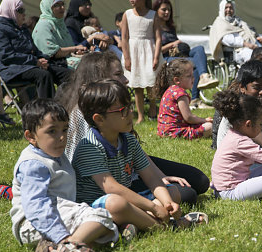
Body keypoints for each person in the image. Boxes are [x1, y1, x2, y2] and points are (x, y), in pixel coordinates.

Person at [59, 51, 209, 204]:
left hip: (125, 167)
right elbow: (104, 180)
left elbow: (134, 152)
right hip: (108, 182)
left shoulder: (119, 123)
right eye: (118, 74)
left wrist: (160, 177)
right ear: (100, 81)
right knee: (185, 193)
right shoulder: (85, 116)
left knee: (199, 180)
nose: (125, 80)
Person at [72, 79, 208, 231]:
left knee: (173, 192)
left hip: (128, 199)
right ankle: (169, 225)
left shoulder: (128, 139)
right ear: (99, 119)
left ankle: (136, 223)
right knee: (117, 204)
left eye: (129, 107)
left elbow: (151, 177)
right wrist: (155, 208)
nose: (130, 113)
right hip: (97, 207)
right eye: (122, 110)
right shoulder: (89, 147)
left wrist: (168, 203)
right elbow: (113, 189)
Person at [10, 98, 117, 252]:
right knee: (100, 216)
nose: (61, 137)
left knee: (104, 222)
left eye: (65, 129)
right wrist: (61, 235)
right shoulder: (33, 164)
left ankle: (61, 248)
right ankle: (68, 247)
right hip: (33, 225)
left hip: (59, 214)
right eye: (52, 131)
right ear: (31, 136)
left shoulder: (54, 153)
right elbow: (36, 206)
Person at [0, 0, 72, 99]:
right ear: (9, 10)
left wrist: (44, 59)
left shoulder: (22, 29)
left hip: (29, 65)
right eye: (20, 10)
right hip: (10, 69)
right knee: (43, 75)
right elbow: (5, 56)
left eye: (24, 10)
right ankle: (47, 110)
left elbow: (34, 50)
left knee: (67, 74)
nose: (24, 14)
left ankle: (67, 105)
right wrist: (35, 61)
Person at [153, 0, 218, 108]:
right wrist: (172, 44)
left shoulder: (171, 27)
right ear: (156, 10)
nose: (167, 12)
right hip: (165, 57)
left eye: (169, 10)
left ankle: (204, 76)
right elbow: (156, 50)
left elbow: (177, 42)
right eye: (164, 9)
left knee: (199, 49)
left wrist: (180, 45)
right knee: (194, 64)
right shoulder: (154, 28)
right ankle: (195, 99)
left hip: (178, 54)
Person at [122, 0, 163, 124]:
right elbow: (124, 38)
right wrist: (127, 57)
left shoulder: (152, 14)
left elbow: (158, 37)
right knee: (137, 86)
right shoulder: (127, 14)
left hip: (149, 51)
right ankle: (140, 116)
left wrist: (156, 57)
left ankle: (152, 107)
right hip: (134, 52)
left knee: (151, 83)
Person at [154, 58, 213, 139]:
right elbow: (188, 117)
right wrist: (204, 120)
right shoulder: (180, 93)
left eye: (193, 75)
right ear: (177, 79)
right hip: (175, 132)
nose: (193, 78)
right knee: (210, 126)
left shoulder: (170, 90)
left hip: (164, 131)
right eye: (189, 76)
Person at [32, 0, 87, 71]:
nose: (62, 7)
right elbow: (52, 52)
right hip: (52, 63)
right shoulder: (43, 25)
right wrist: (75, 48)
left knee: (94, 59)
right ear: (48, 7)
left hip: (65, 59)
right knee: (87, 64)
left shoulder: (60, 23)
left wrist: (76, 52)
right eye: (56, 5)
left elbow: (67, 48)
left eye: (62, 4)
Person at [209, 0, 262, 64]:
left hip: (251, 46)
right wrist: (247, 44)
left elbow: (249, 33)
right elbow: (227, 40)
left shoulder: (238, 21)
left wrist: (257, 41)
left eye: (231, 8)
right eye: (226, 8)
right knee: (251, 54)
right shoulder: (219, 23)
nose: (228, 10)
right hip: (236, 52)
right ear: (222, 9)